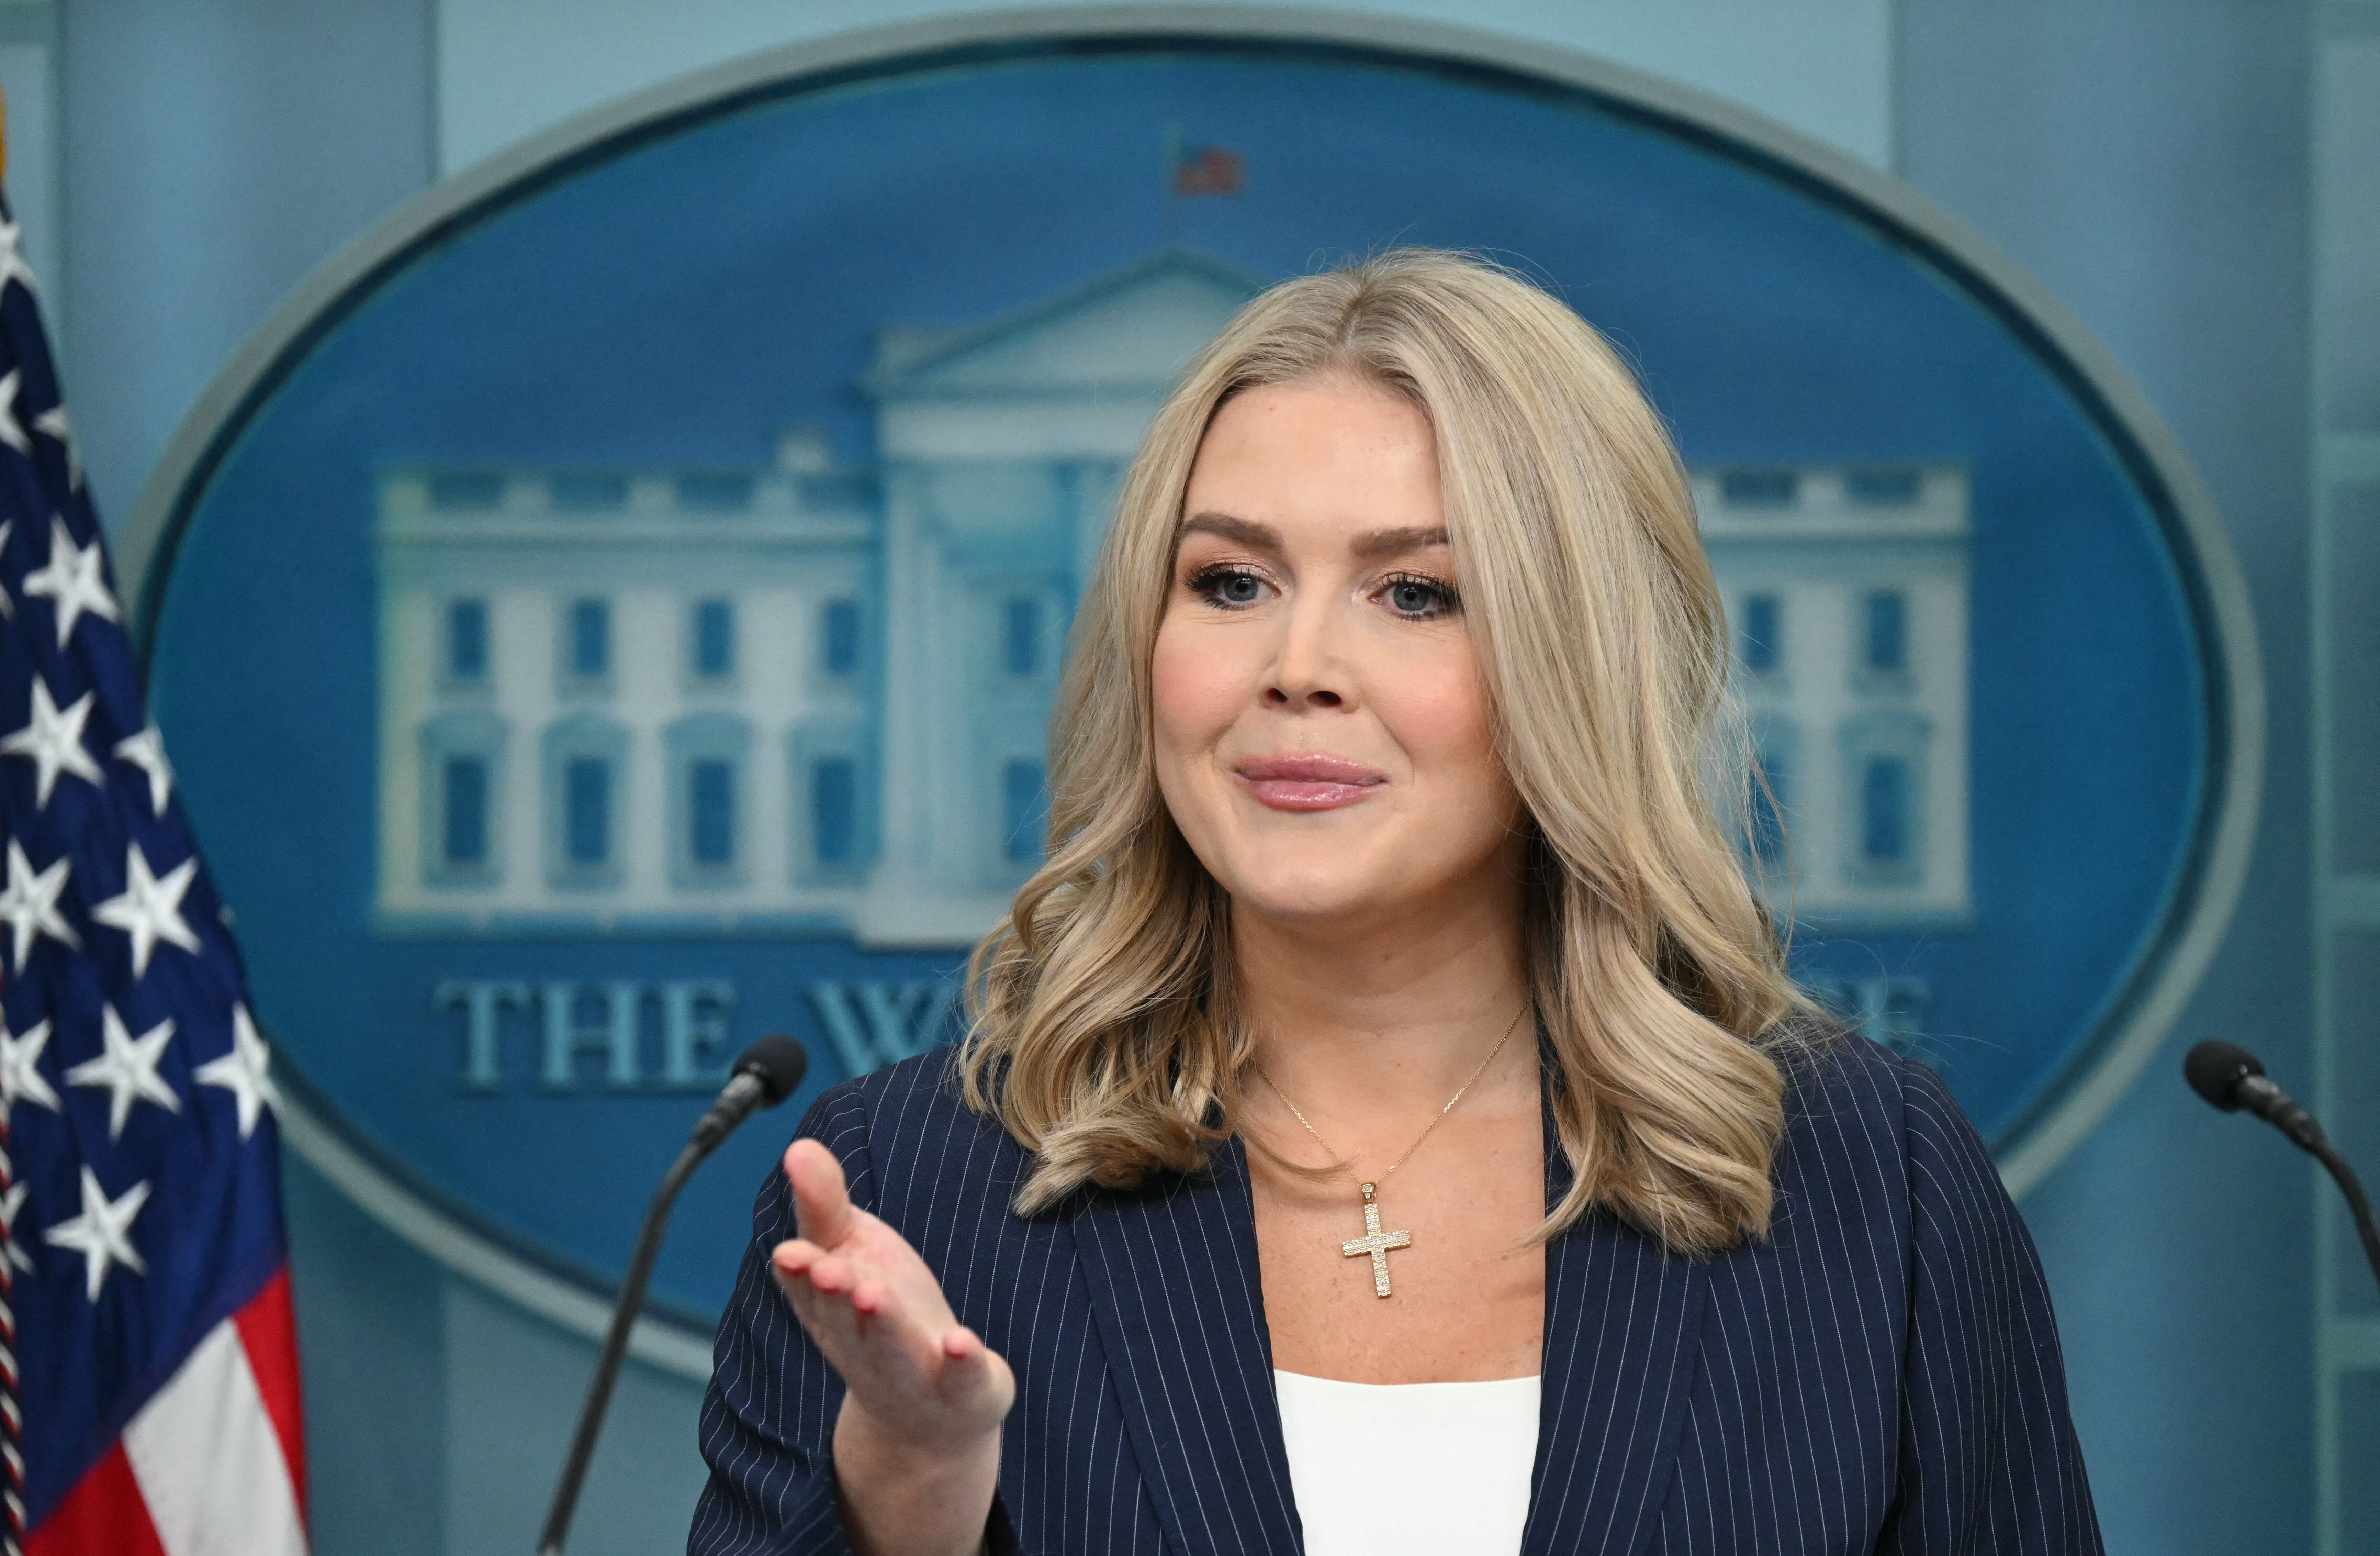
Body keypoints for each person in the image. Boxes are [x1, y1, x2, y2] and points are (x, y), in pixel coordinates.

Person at [688, 250, 2101, 1556]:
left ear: (1575, 661)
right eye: (1230, 581)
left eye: (1415, 593)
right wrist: (913, 1484)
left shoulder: (1875, 1184)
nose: (1296, 665)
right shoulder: (903, 1188)